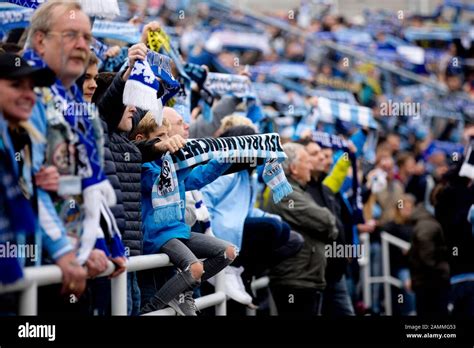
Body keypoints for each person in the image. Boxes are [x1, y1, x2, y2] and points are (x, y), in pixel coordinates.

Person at [25, 0, 125, 313]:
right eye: (71, 35)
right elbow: (26, 186)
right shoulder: (25, 94)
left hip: (70, 265)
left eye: (87, 37)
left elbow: (85, 187)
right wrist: (65, 251)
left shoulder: (79, 109)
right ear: (40, 40)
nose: (83, 45)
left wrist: (102, 244)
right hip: (35, 266)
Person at [0, 52, 86, 313]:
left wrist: (64, 252)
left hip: (22, 273)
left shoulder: (22, 138)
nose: (29, 95)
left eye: (32, 87)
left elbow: (34, 200)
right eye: (16, 85)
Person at [136, 108, 238, 315]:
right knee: (195, 268)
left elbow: (198, 178)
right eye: (159, 137)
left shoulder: (172, 164)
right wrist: (184, 161)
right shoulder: (144, 167)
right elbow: (159, 182)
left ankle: (181, 293)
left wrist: (223, 159)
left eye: (166, 135)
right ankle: (152, 307)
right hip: (158, 235)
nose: (166, 140)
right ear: (142, 141)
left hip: (179, 231)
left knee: (228, 252)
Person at [265, 143, 338, 315]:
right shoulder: (285, 193)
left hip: (305, 278)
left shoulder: (297, 191)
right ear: (294, 168)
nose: (311, 166)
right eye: (307, 161)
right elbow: (327, 220)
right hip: (294, 279)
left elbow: (328, 223)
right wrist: (330, 227)